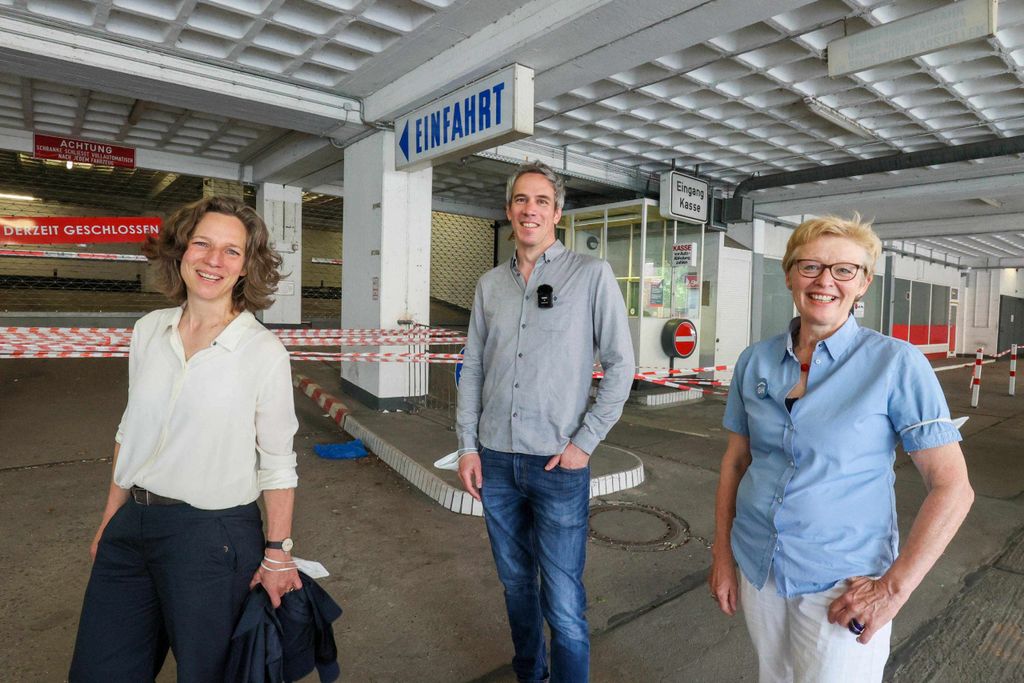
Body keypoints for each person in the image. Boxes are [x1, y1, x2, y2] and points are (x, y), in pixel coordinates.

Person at [708, 214, 974, 682]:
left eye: (844, 270)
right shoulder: (756, 361)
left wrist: (893, 590)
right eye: (809, 266)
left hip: (842, 587)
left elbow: (952, 488)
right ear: (789, 274)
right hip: (759, 568)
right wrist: (723, 558)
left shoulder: (895, 364)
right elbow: (736, 462)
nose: (825, 281)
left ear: (864, 282)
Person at [69, 195, 302, 682]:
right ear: (181, 251)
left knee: (207, 673)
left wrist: (278, 552)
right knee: (100, 669)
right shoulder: (149, 331)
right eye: (202, 243)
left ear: (246, 267)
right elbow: (129, 430)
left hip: (211, 539)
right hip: (132, 525)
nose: (213, 260)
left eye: (231, 251)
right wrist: (110, 519)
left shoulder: (262, 351)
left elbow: (278, 462)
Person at [456, 161, 634, 683]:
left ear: (557, 212)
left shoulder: (590, 275)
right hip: (496, 460)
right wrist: (468, 446)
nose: (529, 209)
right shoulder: (490, 286)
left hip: (558, 464)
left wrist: (586, 441)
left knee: (563, 602)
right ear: (510, 211)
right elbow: (473, 370)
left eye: (540, 201)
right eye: (520, 200)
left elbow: (621, 365)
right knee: (515, 589)